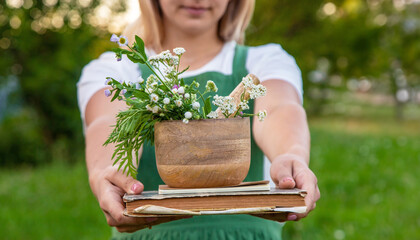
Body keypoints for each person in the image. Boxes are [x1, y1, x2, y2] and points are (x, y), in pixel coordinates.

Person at [77, 0, 320, 239]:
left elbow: (279, 109)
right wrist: (106, 173)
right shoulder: (116, 70)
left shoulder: (265, 61)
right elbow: (107, 121)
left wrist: (291, 155)